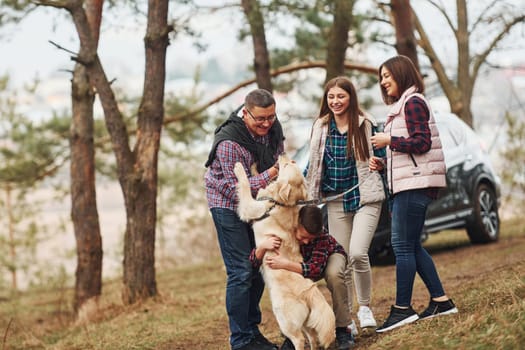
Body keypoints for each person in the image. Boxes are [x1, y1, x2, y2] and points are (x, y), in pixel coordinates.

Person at [369, 55, 458, 333]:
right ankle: (441, 302)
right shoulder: (403, 105)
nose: (383, 82)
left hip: (415, 186)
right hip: (407, 184)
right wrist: (384, 163)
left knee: (402, 246)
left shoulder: (413, 102)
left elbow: (421, 143)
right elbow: (410, 151)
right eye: (381, 77)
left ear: (402, 74)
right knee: (412, 245)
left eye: (387, 76)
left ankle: (403, 309)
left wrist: (388, 141)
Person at [304, 76, 386, 334]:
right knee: (342, 262)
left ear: (351, 98)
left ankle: (364, 308)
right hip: (335, 201)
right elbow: (313, 164)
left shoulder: (365, 124)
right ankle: (347, 321)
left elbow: (381, 155)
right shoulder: (320, 127)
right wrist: (303, 188)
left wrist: (379, 163)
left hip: (364, 197)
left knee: (358, 253)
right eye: (331, 97)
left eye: (341, 96)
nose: (336, 101)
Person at [204, 88, 284, 350]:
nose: (266, 124)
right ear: (245, 113)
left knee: (259, 267)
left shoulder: (273, 129)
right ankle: (240, 340)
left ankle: (251, 331)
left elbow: (280, 161)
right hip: (227, 205)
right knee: (240, 271)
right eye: (260, 119)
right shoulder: (229, 142)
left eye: (270, 117)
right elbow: (234, 190)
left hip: (258, 204)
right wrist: (272, 173)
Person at [249, 205, 354, 350]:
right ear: (296, 224)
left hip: (329, 258)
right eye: (303, 237)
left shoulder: (321, 237)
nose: (306, 242)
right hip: (301, 265)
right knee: (288, 288)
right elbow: (254, 263)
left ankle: (343, 329)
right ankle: (292, 334)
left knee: (334, 275)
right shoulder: (285, 231)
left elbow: (314, 269)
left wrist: (285, 264)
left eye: (311, 238)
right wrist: (262, 247)